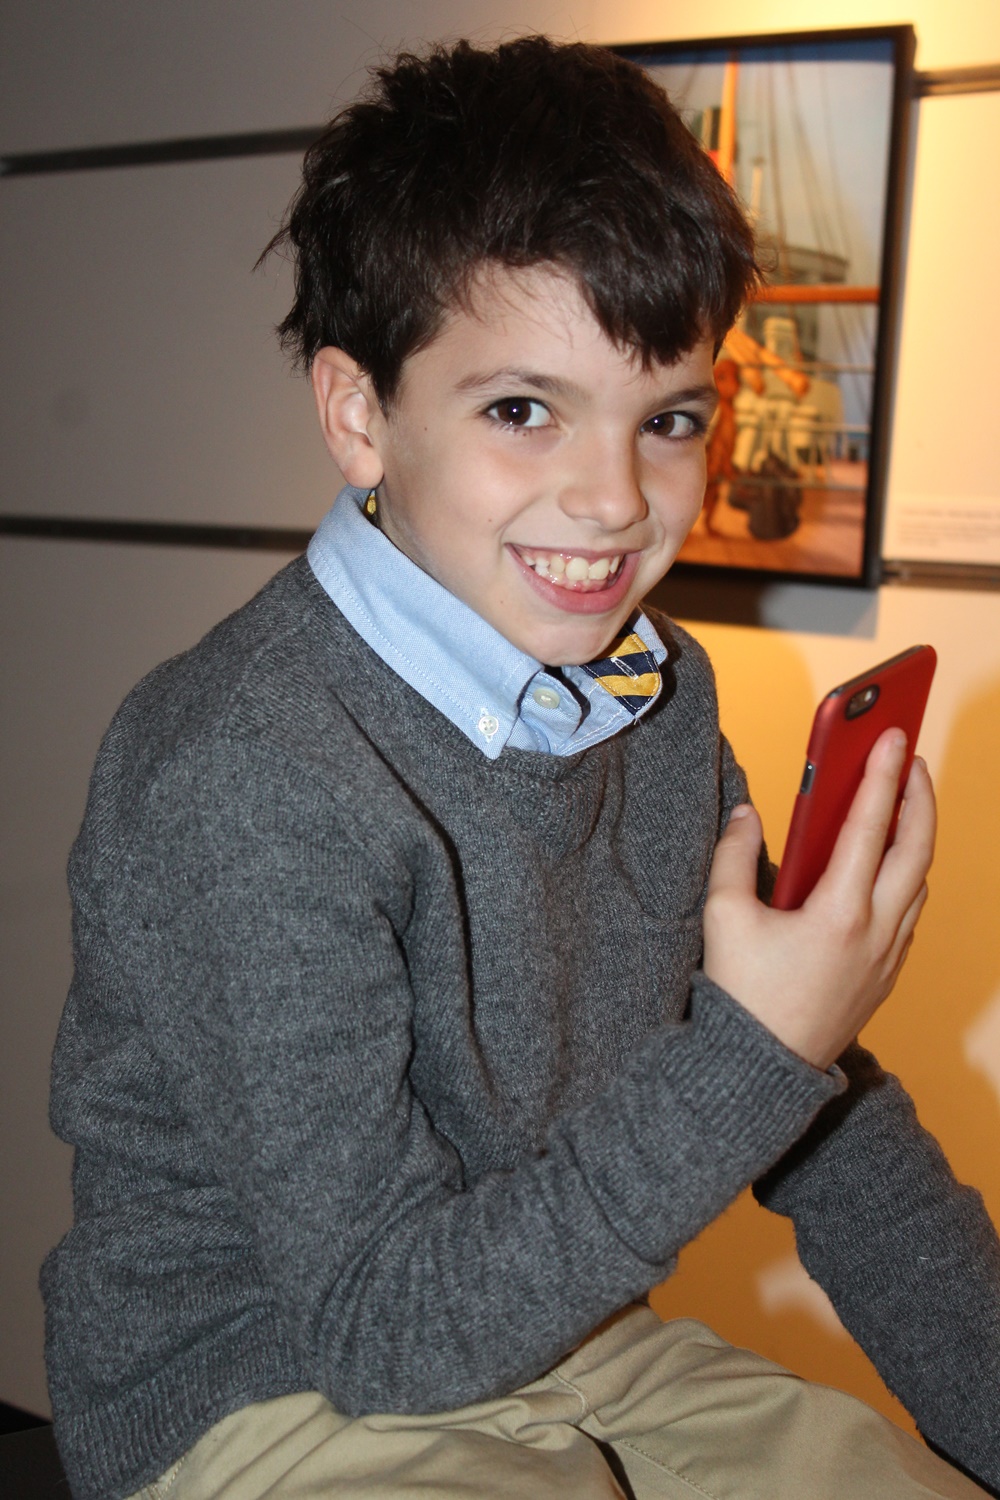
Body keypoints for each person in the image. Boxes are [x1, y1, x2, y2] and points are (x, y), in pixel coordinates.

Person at [42, 36, 1000, 1500]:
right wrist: (764, 1048)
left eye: (666, 419)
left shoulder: (655, 698)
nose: (614, 501)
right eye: (521, 410)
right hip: (261, 1381)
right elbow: (381, 1330)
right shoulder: (240, 766)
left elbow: (826, 1124)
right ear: (359, 415)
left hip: (560, 1322)